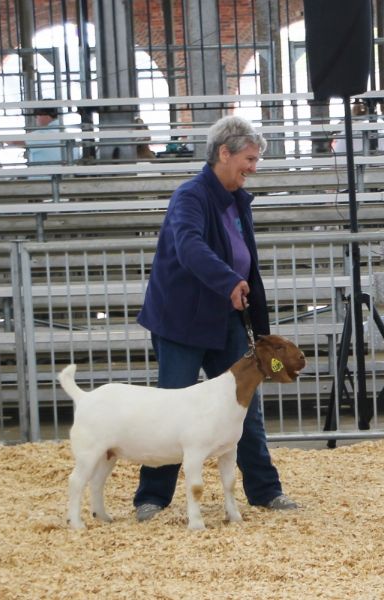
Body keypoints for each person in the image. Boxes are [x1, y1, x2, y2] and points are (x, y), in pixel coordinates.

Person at [134, 114, 298, 522]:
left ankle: (265, 492)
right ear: (223, 153)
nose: (253, 168)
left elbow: (249, 267)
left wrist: (260, 328)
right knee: (171, 407)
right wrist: (227, 279)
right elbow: (189, 246)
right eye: (248, 158)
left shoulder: (237, 201)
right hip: (182, 324)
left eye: (256, 160)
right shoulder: (190, 196)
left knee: (244, 408)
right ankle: (152, 498)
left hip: (225, 320)